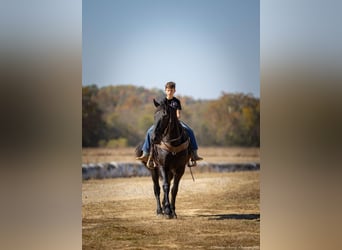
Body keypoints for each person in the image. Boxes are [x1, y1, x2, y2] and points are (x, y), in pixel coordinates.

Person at [136, 81, 203, 163]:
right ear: (165, 91)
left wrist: (176, 117)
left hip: (175, 121)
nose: (169, 92)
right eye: (168, 90)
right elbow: (160, 112)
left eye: (171, 90)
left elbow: (178, 113)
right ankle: (146, 153)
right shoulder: (163, 101)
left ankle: (194, 154)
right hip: (164, 122)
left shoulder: (176, 101)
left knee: (190, 131)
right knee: (150, 131)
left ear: (174, 91)